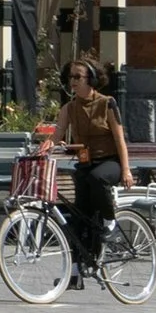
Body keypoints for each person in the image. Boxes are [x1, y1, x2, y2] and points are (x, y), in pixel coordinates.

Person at [47, 55, 129, 287]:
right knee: (77, 221)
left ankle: (110, 221)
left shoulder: (107, 103)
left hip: (109, 162)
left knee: (97, 177)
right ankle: (75, 274)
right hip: (86, 163)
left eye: (77, 77)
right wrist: (46, 149)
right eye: (70, 77)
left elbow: (120, 140)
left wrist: (126, 170)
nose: (72, 81)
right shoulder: (69, 108)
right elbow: (56, 135)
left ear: (91, 79)